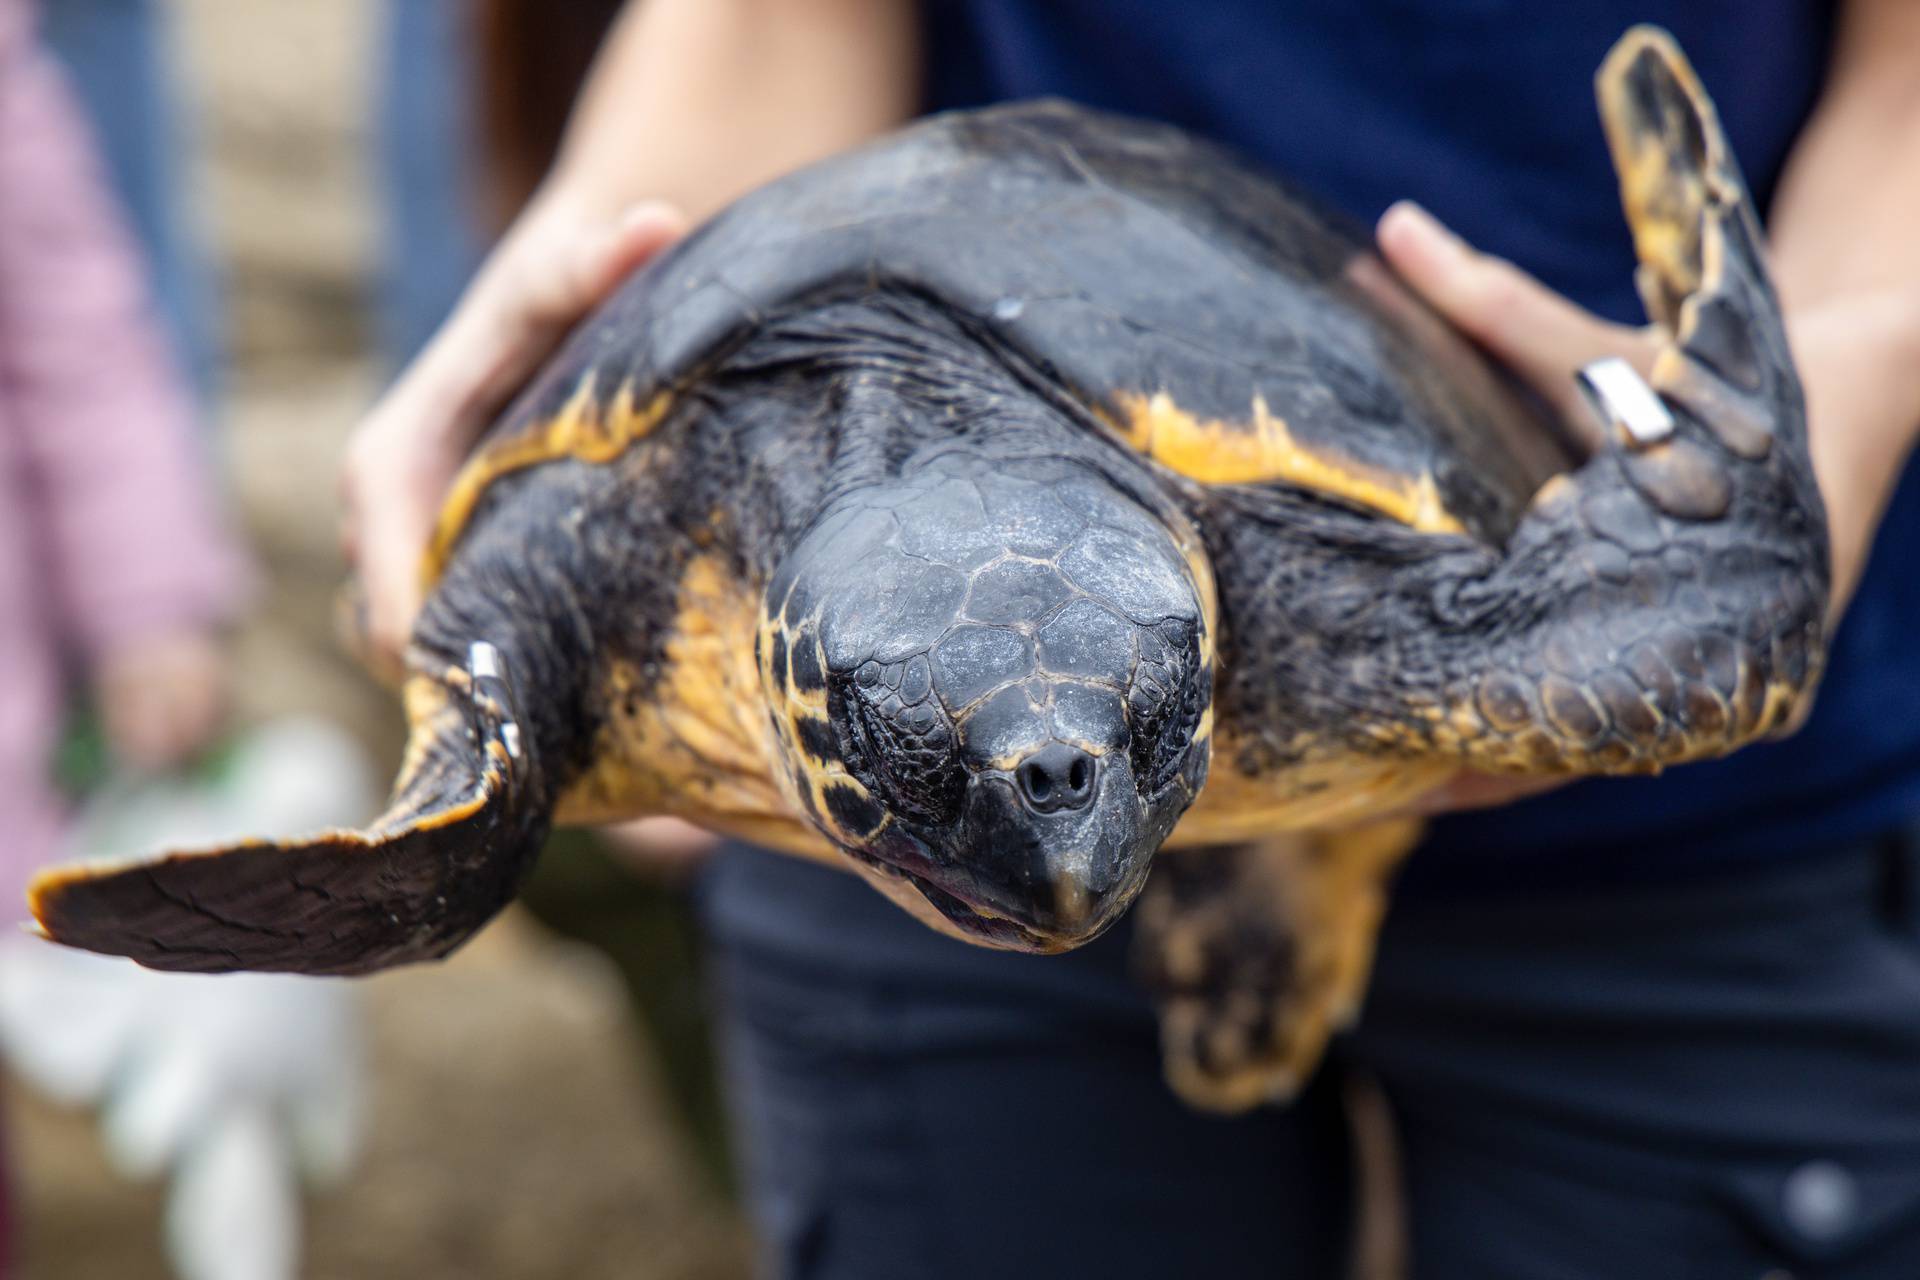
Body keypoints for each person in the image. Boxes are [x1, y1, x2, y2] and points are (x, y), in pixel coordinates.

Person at [342, 1, 1920, 1275]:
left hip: (1687, 853)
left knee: (1700, 647)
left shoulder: (1370, 628)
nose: (1078, 850)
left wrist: (1832, 395)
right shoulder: (772, 618)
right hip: (906, 874)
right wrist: (596, 337)